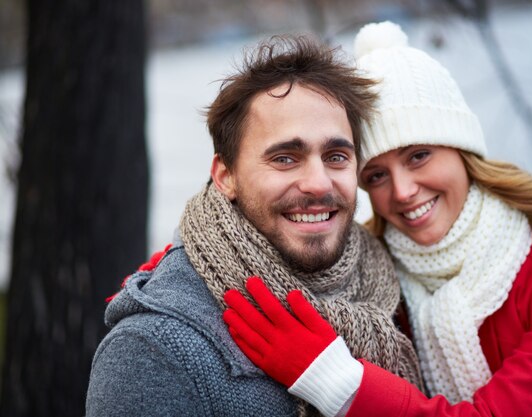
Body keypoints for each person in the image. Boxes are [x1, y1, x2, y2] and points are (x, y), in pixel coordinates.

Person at [223, 21, 532, 417]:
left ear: (462, 150)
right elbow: (268, 248)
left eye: (418, 156)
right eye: (376, 175)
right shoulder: (377, 267)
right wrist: (188, 257)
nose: (402, 191)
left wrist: (334, 380)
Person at [85, 33, 424, 417]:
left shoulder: (392, 284)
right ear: (225, 176)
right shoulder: (152, 349)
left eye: (336, 156)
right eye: (284, 158)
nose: (318, 183)